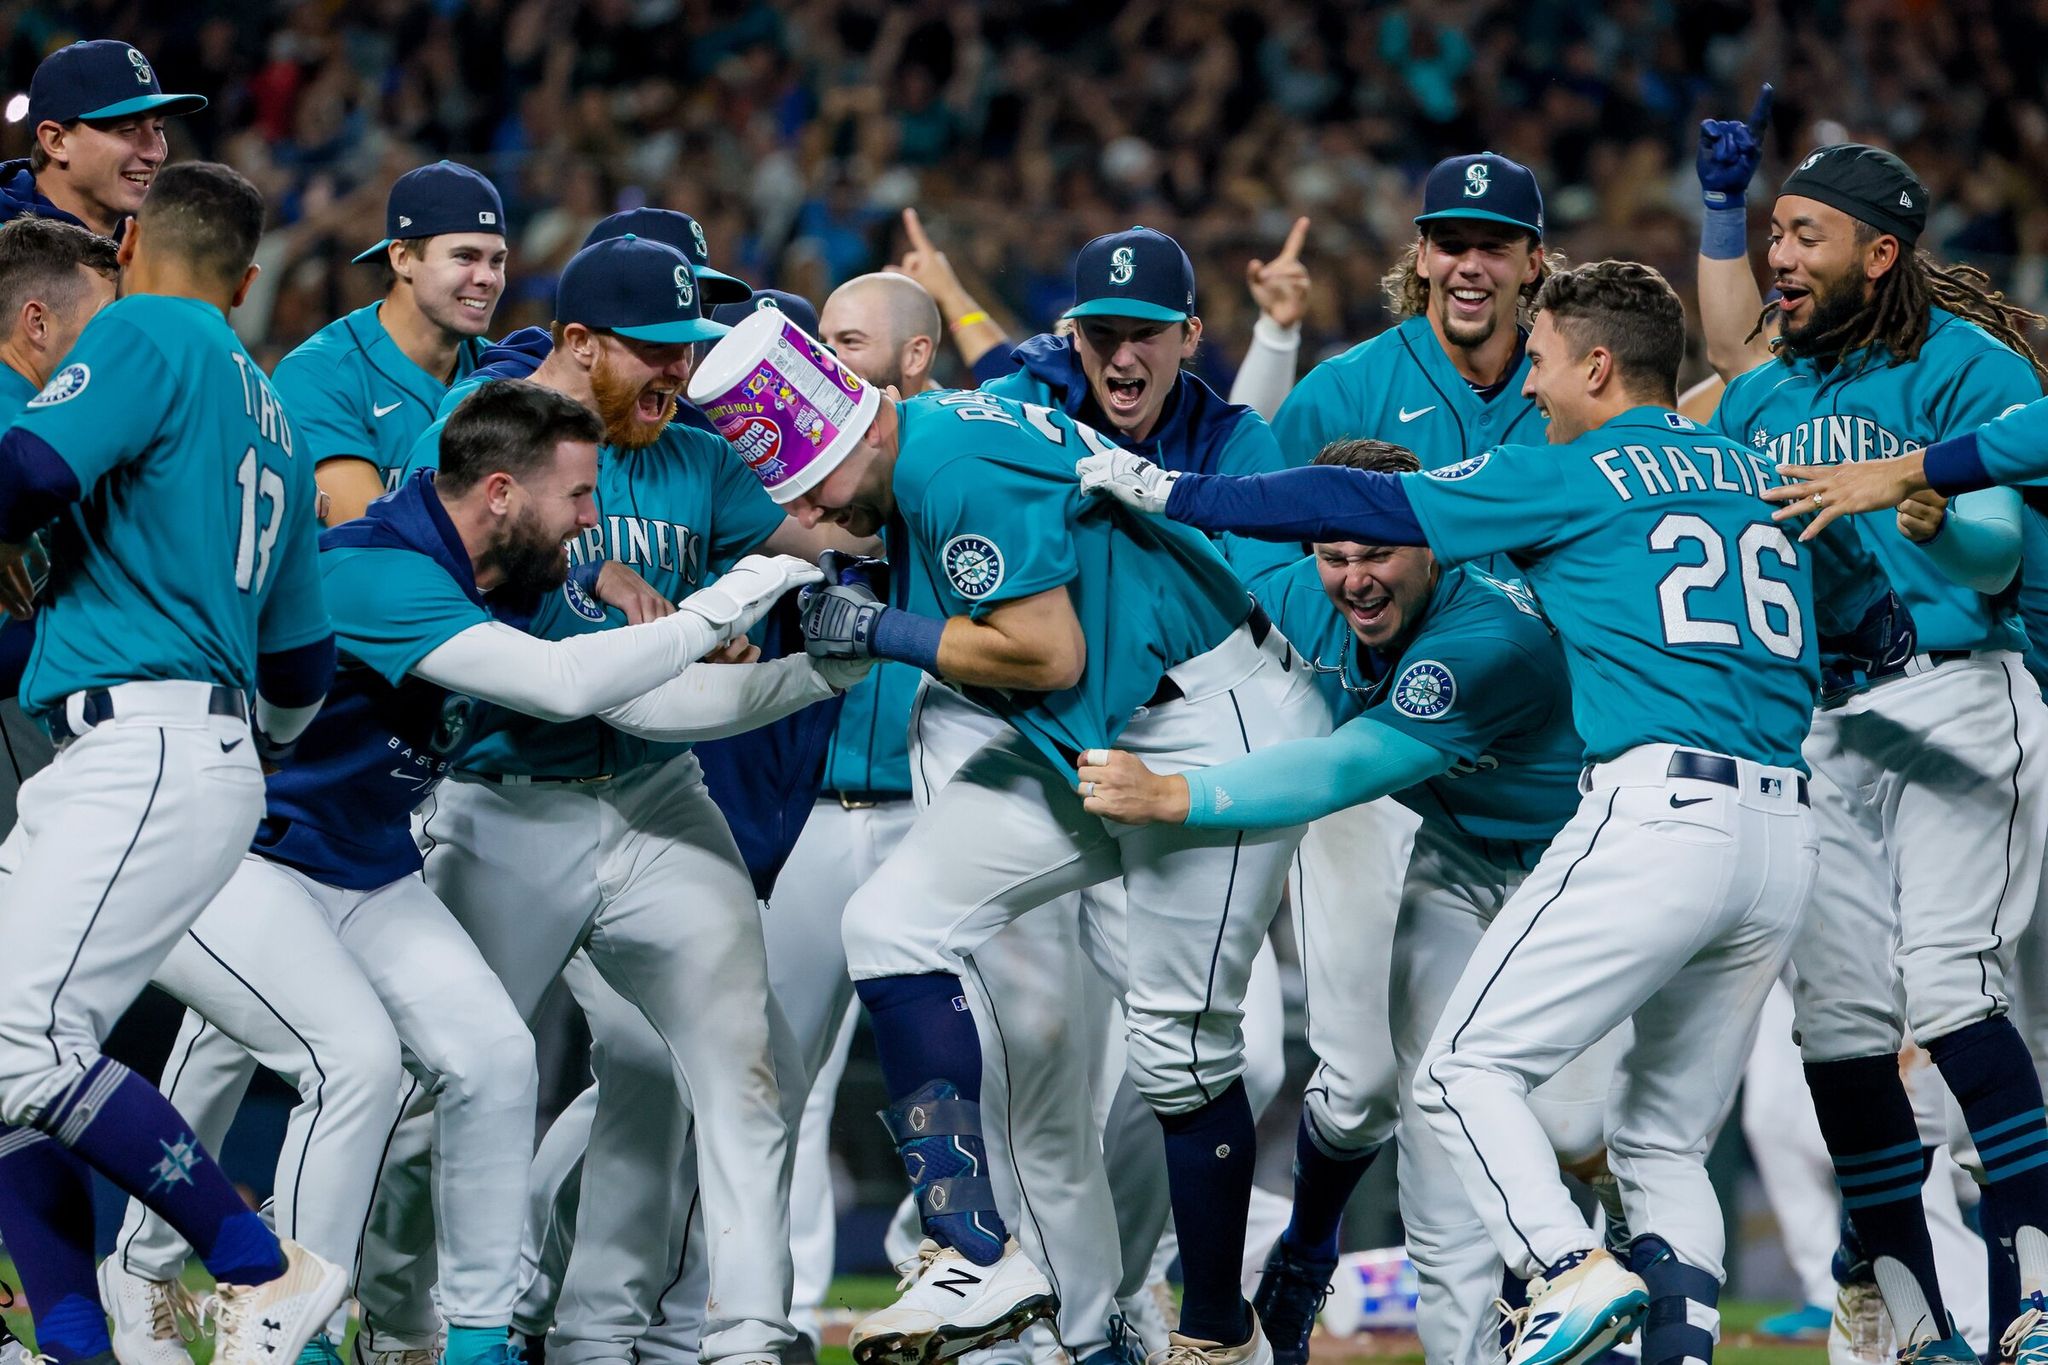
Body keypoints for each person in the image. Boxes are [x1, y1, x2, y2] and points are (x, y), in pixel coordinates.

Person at [1080, 259, 1892, 1365]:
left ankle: (1563, 1267)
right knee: (1655, 1146)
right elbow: (1872, 623)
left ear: (1597, 365)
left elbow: (1356, 578)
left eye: (1547, 358)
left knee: (1461, 1073)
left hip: (1640, 817)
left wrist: (1168, 489)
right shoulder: (1755, 466)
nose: (1534, 383)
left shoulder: (1569, 480)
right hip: (1777, 831)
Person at [98, 369, 829, 1365]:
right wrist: (736, 592)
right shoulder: (379, 568)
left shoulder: (515, 584)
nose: (591, 520)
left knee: (494, 1059)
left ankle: (477, 1339)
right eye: (576, 496)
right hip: (237, 853)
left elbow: (642, 706)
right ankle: (275, 1324)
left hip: (363, 865)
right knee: (344, 1065)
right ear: (499, 494)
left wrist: (820, 671)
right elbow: (563, 688)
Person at [694, 308, 1329, 1365]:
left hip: (1210, 726)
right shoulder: (920, 444)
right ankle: (971, 1253)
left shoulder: (947, 465)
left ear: (856, 430)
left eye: (807, 485)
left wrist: (889, 629)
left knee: (1183, 1056)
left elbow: (1045, 655)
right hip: (1097, 731)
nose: (804, 511)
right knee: (892, 926)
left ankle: (1216, 1333)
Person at [387, 235, 853, 1365]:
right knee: (429, 1093)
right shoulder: (475, 448)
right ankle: (396, 1322)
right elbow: (625, 692)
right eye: (654, 352)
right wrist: (807, 661)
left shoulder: (693, 455)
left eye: (689, 353)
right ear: (579, 342)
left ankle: (739, 1334)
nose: (677, 376)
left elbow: (836, 537)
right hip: (504, 802)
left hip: (656, 802)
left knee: (748, 1067)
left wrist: (908, 467)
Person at [1077, 435, 1634, 1365]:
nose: (1354, 578)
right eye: (1334, 554)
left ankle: (1631, 1280)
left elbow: (1351, 766)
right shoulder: (1290, 599)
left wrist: (1174, 795)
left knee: (1580, 1127)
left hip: (1572, 860)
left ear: (1430, 542)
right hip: (1450, 854)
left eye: (1375, 551)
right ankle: (1345, 1276)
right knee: (1412, 1102)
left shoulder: (1491, 630)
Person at [1705, 144, 2048, 1365]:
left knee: (1953, 991)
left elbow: (1996, 558)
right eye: (1772, 232)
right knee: (1840, 1031)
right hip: (1820, 727)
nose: (1777, 256)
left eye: (1803, 235)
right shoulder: (1753, 400)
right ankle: (1910, 1330)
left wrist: (1927, 510)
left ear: (1877, 251)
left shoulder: (1969, 368)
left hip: (1959, 698)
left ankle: (2032, 1309)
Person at [0, 160, 343, 1365]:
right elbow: (303, 668)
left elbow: (26, 478)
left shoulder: (145, 327)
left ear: (132, 239)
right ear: (249, 281)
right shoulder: (272, 411)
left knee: (19, 1047)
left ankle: (261, 1263)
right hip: (186, 738)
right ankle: (72, 1343)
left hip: (138, 746)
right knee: (4, 1058)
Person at [271, 161, 508, 525]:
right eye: (465, 256)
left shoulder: (501, 372)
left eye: (498, 260)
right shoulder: (319, 374)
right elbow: (374, 540)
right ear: (401, 258)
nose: (487, 278)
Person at [0, 40, 206, 236]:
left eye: (158, 128)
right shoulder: (7, 256)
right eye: (127, 130)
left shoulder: (153, 249)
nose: (155, 153)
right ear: (56, 141)